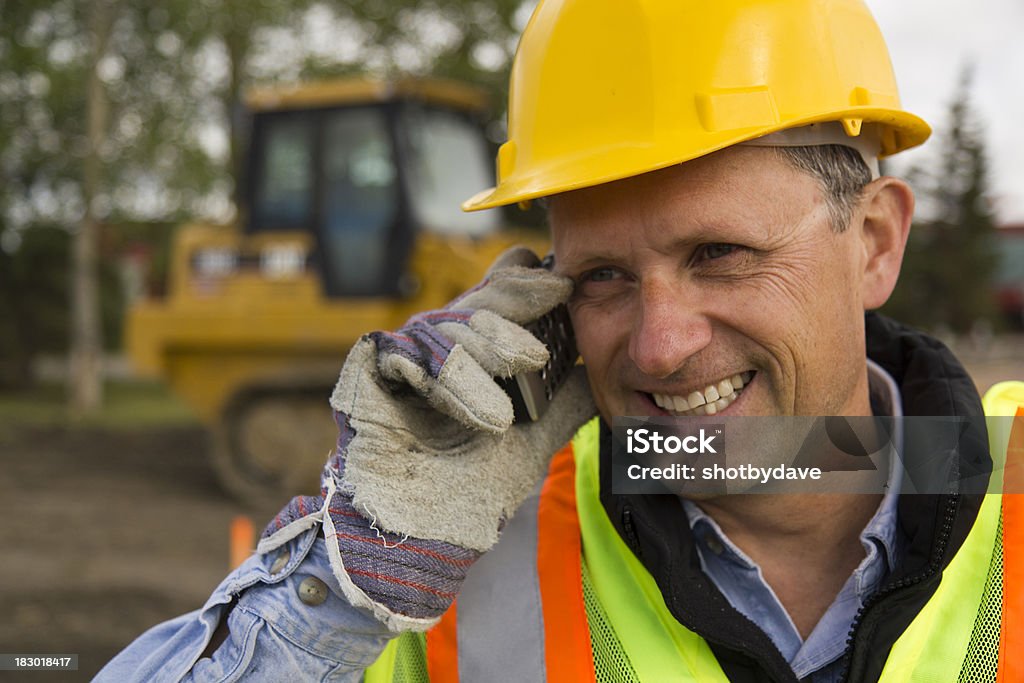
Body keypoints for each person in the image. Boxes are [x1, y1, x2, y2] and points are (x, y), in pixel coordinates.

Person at [98, 0, 1023, 681]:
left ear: (874, 243)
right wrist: (346, 579)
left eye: (720, 254)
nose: (658, 347)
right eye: (603, 278)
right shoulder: (459, 567)